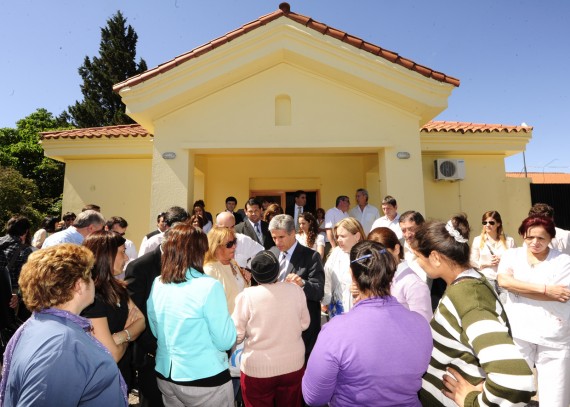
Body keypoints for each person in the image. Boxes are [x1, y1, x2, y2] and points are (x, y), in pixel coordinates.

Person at [413, 214, 535, 406]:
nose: (416, 262)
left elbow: (515, 380)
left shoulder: (467, 295)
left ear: (435, 257)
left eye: (417, 256)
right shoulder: (468, 283)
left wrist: (472, 402)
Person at [302, 241, 432, 406]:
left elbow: (314, 397)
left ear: (352, 274)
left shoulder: (335, 330)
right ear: (391, 273)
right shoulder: (420, 324)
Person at [0, 244, 128, 406]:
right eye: (89, 276)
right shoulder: (63, 344)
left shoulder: (39, 325)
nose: (93, 282)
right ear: (78, 285)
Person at [147, 223, 236, 406]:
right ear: (199, 251)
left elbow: (156, 330)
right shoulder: (209, 286)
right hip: (205, 378)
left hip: (166, 375)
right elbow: (225, 341)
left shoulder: (158, 283)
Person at [497, 215, 570, 406]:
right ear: (522, 235)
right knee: (513, 389)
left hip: (554, 336)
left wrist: (518, 286)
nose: (535, 242)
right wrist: (546, 289)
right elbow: (503, 281)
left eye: (541, 238)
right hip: (520, 331)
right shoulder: (511, 255)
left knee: (556, 397)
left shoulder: (563, 261)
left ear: (551, 238)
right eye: (530, 237)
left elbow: (562, 294)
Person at [232, 251, 310, 407]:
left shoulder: (247, 296)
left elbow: (237, 335)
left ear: (254, 275)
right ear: (277, 271)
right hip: (293, 365)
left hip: (258, 370)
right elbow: (304, 324)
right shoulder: (295, 290)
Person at [81, 230, 146, 391]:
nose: (126, 258)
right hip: (100, 385)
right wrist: (128, 334)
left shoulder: (117, 286)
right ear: (106, 255)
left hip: (120, 379)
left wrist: (118, 337)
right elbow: (112, 355)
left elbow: (141, 321)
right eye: (122, 252)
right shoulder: (91, 295)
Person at [268, 214, 324, 360]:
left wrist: (302, 283)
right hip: (276, 326)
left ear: (293, 233)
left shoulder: (311, 257)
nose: (277, 242)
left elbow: (318, 291)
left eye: (281, 237)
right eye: (274, 238)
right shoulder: (272, 253)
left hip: (301, 329)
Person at [125, 237, 165, 406]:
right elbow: (135, 312)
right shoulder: (140, 266)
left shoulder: (184, 263)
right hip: (150, 352)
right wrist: (154, 347)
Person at [368, 227, 432, 321]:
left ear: (396, 249)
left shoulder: (413, 284)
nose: (378, 261)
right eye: (372, 256)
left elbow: (423, 324)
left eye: (383, 254)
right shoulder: (376, 278)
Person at [322, 217, 365, 315]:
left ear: (357, 236)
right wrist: (325, 301)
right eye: (337, 236)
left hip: (359, 311)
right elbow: (326, 278)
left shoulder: (367, 256)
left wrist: (362, 288)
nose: (338, 240)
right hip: (336, 311)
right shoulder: (335, 253)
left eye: (343, 236)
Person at [204, 226, 251, 314]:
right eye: (229, 244)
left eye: (234, 242)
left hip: (243, 319)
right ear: (216, 246)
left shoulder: (233, 263)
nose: (234, 246)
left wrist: (247, 280)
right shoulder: (210, 270)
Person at [470, 210, 515, 301]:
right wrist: (486, 263)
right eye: (484, 222)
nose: (487, 225)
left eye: (491, 222)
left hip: (505, 279)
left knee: (506, 308)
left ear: (498, 224)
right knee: (491, 308)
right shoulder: (477, 240)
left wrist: (502, 261)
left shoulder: (509, 241)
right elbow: (472, 261)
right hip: (487, 279)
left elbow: (515, 261)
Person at [0, 216, 34, 334]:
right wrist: (18, 296)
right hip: (11, 294)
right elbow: (26, 279)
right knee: (9, 328)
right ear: (26, 232)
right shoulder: (25, 250)